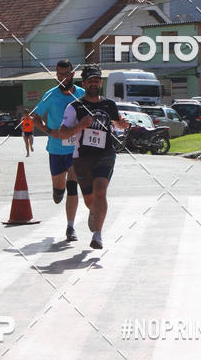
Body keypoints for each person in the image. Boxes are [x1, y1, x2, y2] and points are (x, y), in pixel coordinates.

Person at [54, 65, 129, 250]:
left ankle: (98, 235)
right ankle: (93, 212)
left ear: (100, 82)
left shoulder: (109, 104)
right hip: (82, 158)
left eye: (96, 80)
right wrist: (80, 126)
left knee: (100, 189)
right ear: (84, 83)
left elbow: (117, 123)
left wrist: (122, 124)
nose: (93, 83)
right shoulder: (75, 107)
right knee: (89, 200)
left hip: (105, 154)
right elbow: (63, 133)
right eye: (90, 81)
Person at [32, 59, 86, 242]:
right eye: (60, 74)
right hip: (56, 149)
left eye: (66, 74)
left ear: (72, 74)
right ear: (57, 75)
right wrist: (49, 131)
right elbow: (36, 118)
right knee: (58, 191)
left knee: (73, 185)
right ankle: (57, 189)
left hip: (76, 149)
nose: (63, 78)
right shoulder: (50, 95)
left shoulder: (82, 94)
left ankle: (70, 227)